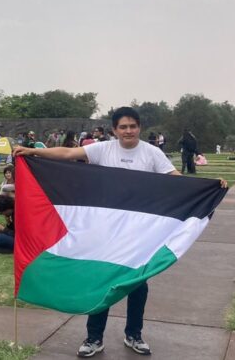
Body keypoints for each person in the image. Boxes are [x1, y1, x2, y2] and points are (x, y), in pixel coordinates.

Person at [14, 107, 211, 357]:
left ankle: (134, 335)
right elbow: (67, 153)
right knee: (102, 280)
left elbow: (174, 178)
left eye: (133, 126)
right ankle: (94, 338)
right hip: (105, 229)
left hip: (137, 232)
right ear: (115, 130)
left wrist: (207, 187)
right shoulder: (103, 148)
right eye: (123, 127)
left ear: (139, 127)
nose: (128, 131)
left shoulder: (151, 153)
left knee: (137, 283)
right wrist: (33, 151)